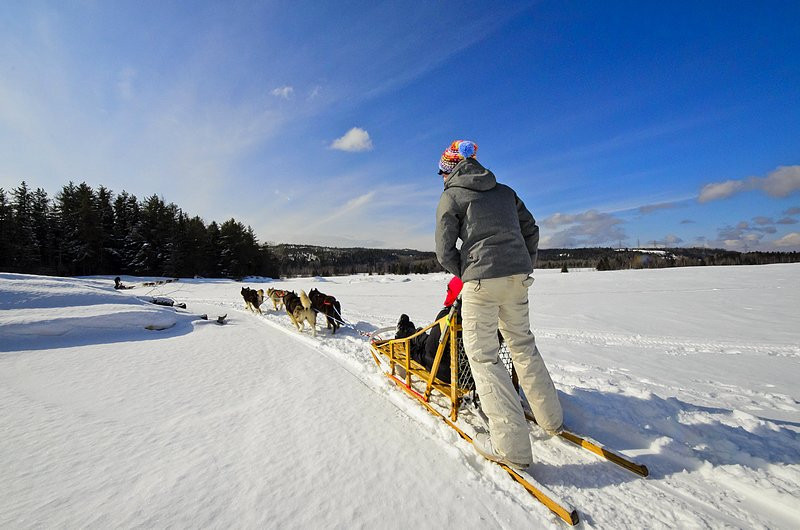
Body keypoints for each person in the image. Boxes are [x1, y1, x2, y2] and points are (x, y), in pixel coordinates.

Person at [434, 139, 563, 470]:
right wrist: (523, 262)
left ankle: (512, 448)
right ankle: (551, 419)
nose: (441, 177)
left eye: (442, 171)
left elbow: (444, 250)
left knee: (483, 357)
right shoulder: (505, 192)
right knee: (523, 345)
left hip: (481, 282)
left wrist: (468, 271)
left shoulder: (452, 196)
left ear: (451, 169)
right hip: (517, 278)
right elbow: (530, 229)